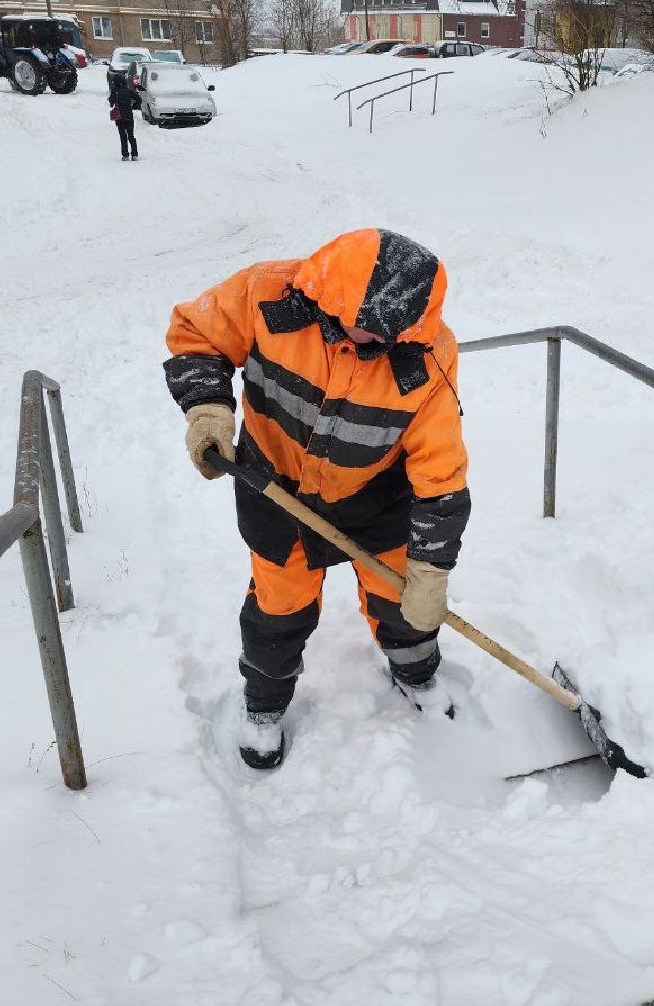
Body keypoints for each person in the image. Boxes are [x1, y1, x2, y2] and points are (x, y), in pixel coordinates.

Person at [164, 229, 471, 769]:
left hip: (376, 499)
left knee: (403, 603)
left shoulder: (427, 355)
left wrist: (432, 569)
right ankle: (263, 705)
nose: (374, 340)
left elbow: (440, 472)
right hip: (275, 490)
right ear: (329, 296)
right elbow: (197, 331)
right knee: (279, 608)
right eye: (363, 325)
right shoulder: (267, 295)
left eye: (389, 333)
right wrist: (208, 408)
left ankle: (416, 673)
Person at [108, 71, 140, 161]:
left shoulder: (115, 91)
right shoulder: (129, 90)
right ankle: (135, 155)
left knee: (123, 136)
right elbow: (139, 99)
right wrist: (134, 106)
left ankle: (125, 155)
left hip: (119, 117)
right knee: (131, 135)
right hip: (129, 115)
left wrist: (113, 102)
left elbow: (111, 102)